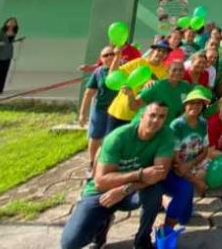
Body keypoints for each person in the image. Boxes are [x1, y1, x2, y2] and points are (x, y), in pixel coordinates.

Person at [60, 102, 174, 249]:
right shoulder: (117, 137)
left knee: (155, 191)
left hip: (132, 191)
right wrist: (139, 174)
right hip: (102, 191)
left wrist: (124, 189)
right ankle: (102, 226)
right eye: (152, 115)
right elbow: (101, 182)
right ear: (142, 116)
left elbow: (159, 174)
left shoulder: (166, 135)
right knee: (70, 243)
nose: (156, 120)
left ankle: (142, 240)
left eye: (161, 116)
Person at [164, 87, 211, 227]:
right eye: (192, 103)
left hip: (192, 162)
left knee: (186, 217)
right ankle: (164, 199)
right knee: (183, 215)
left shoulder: (203, 123)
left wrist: (190, 168)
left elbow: (205, 150)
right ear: (185, 105)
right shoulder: (177, 125)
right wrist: (189, 174)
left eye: (199, 103)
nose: (195, 106)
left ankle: (181, 198)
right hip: (176, 165)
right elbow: (175, 156)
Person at [105, 40, 171, 134]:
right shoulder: (139, 62)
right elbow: (113, 74)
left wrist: (154, 84)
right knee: (110, 144)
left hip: (139, 118)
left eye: (164, 52)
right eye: (159, 50)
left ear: (166, 55)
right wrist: (117, 56)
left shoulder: (165, 72)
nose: (160, 53)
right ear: (153, 51)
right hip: (119, 112)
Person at [79, 46, 119, 171]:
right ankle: (91, 163)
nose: (109, 57)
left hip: (117, 111)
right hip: (100, 109)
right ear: (101, 59)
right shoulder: (98, 72)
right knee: (95, 137)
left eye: (111, 54)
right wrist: (82, 113)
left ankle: (111, 164)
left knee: (114, 138)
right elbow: (89, 93)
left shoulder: (123, 69)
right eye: (105, 55)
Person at [0, 17, 21, 94]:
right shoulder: (1, 30)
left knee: (4, 72)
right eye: (10, 21)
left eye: (14, 22)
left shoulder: (15, 31)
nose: (12, 23)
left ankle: (0, 89)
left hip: (8, 53)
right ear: (6, 22)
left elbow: (10, 41)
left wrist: (18, 40)